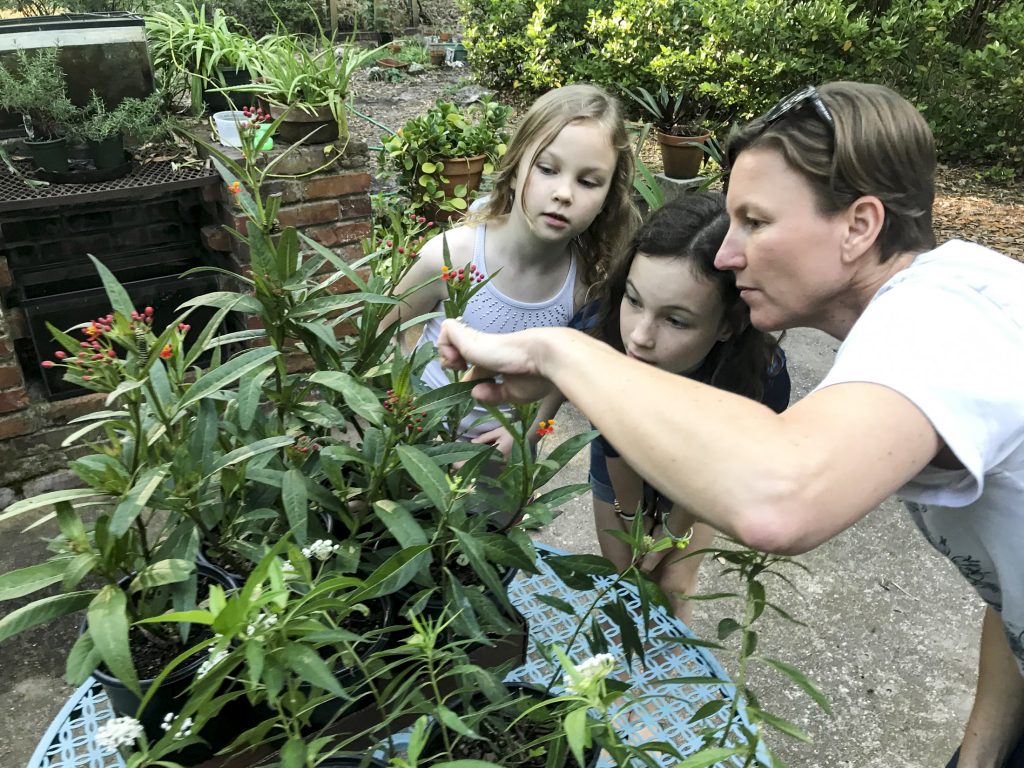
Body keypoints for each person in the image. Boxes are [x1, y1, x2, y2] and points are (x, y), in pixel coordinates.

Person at [433, 82, 1024, 768]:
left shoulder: (946, 322)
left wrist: (557, 349)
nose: (724, 254)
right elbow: (1006, 594)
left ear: (859, 226)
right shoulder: (943, 310)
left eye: (755, 221)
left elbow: (780, 497)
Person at [385, 83, 639, 456]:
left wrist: (532, 432)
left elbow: (561, 376)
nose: (564, 193)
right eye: (548, 169)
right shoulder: (450, 254)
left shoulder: (586, 286)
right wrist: (402, 409)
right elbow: (384, 332)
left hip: (504, 463)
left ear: (607, 199)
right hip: (419, 449)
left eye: (588, 181)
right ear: (517, 167)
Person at [580, 192, 789, 623]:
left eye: (675, 320)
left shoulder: (760, 378)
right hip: (621, 464)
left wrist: (673, 533)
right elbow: (612, 439)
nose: (640, 335)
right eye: (634, 300)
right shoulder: (605, 337)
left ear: (729, 325)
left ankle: (664, 676)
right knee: (626, 576)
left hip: (701, 472)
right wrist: (635, 523)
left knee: (674, 585)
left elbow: (717, 467)